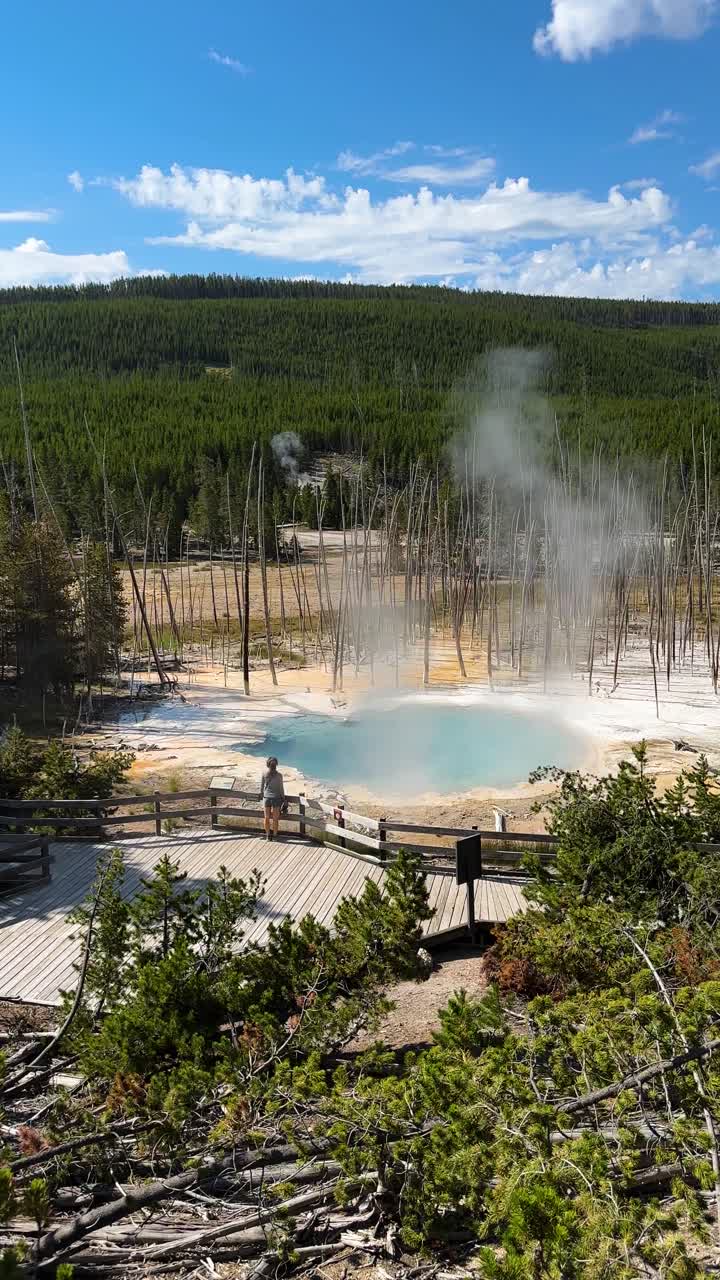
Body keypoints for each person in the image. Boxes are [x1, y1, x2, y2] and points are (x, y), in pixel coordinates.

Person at [259, 756, 285, 841]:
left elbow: (261, 787)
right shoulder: (279, 775)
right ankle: (275, 836)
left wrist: (262, 795)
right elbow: (281, 789)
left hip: (266, 798)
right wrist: (284, 799)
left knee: (266, 818)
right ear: (276, 765)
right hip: (276, 798)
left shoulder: (264, 774)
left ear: (268, 764)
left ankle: (267, 835)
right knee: (275, 819)